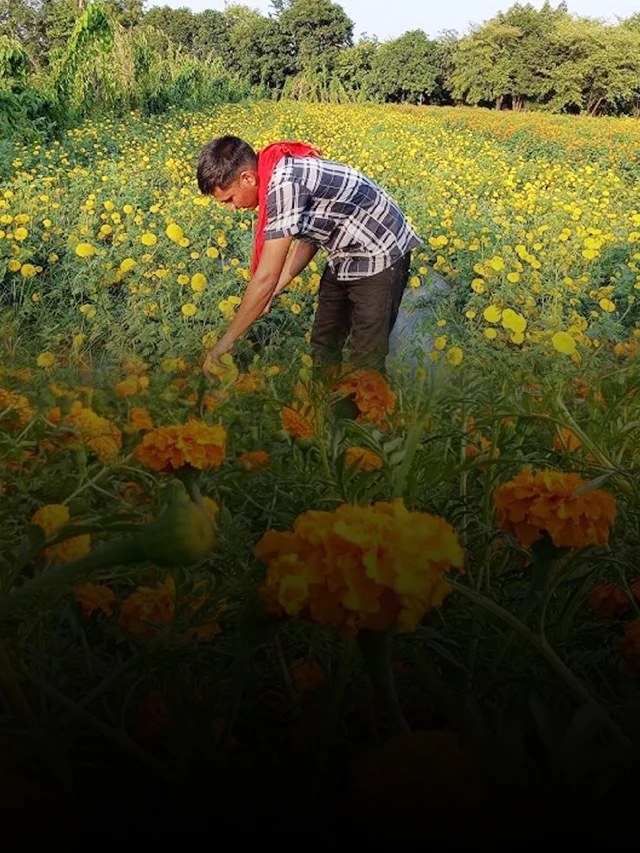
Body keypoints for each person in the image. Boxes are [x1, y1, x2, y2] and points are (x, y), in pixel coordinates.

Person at [196, 135, 422, 380]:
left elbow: (266, 277)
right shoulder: (273, 169)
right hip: (344, 252)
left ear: (247, 178)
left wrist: (226, 342)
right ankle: (324, 408)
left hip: (381, 251)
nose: (231, 207)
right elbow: (309, 237)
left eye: (229, 199)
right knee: (325, 342)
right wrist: (270, 293)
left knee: (366, 358)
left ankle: (367, 415)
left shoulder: (283, 183)